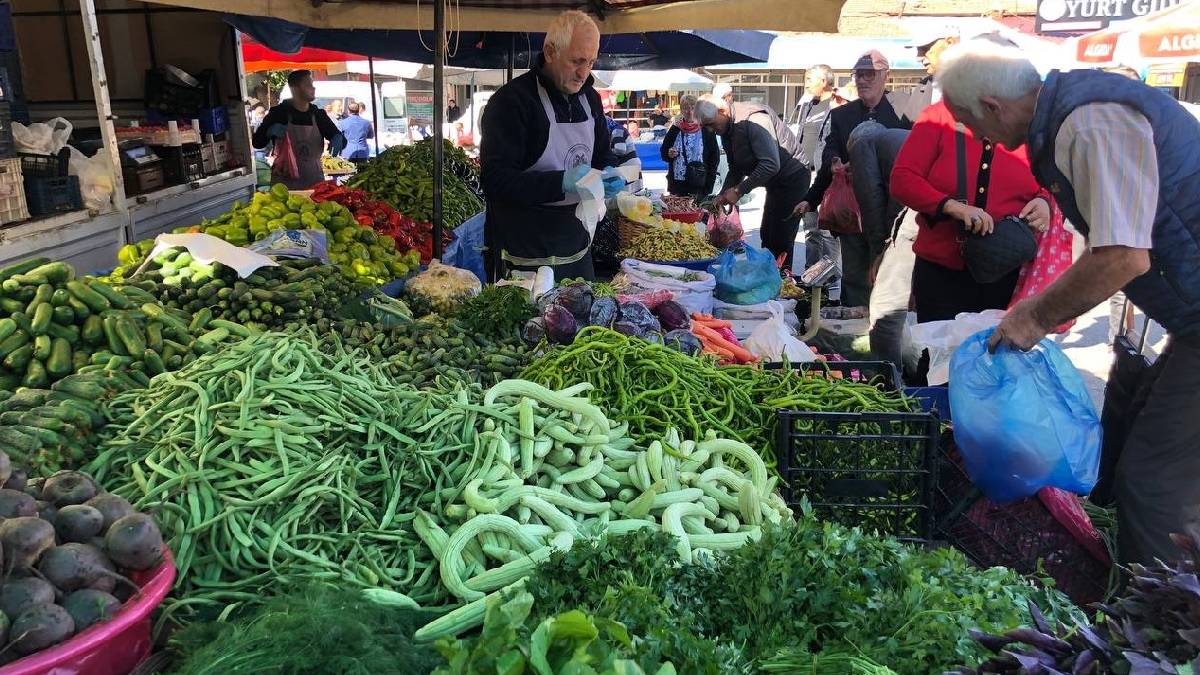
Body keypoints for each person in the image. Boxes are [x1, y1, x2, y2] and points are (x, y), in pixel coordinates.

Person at [936, 38, 1200, 565]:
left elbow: (1122, 256)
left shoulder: (1089, 124)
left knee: (1151, 484)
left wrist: (1033, 317)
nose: (977, 137)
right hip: (1190, 318)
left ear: (991, 106)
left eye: (970, 122)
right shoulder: (1073, 117)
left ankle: (1163, 615)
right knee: (1141, 452)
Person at [479, 10, 623, 282]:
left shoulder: (590, 99)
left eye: (591, 62)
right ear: (549, 52)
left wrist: (609, 171)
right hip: (523, 255)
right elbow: (495, 179)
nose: (584, 73)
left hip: (578, 249)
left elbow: (603, 154)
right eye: (576, 61)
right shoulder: (512, 102)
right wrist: (561, 182)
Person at [889, 104, 1049, 322]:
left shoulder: (1027, 119)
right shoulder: (938, 117)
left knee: (997, 343)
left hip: (1008, 270)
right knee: (940, 342)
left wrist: (1044, 200)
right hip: (942, 273)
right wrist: (952, 207)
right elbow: (903, 179)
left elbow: (1051, 179)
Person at [792, 50, 914, 308]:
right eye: (858, 75)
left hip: (893, 211)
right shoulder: (842, 115)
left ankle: (883, 324)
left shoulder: (904, 112)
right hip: (852, 212)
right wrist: (813, 195)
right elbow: (829, 153)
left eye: (870, 74)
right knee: (855, 277)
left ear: (886, 76)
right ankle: (853, 326)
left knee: (889, 278)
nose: (863, 80)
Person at [699, 97, 808, 271]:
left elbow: (770, 164)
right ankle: (768, 275)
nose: (711, 130)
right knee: (767, 234)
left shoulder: (755, 119)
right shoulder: (727, 129)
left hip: (793, 177)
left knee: (781, 237)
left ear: (723, 112)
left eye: (711, 124)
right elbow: (736, 168)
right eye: (706, 126)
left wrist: (739, 190)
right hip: (775, 182)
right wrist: (722, 194)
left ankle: (781, 280)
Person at [792, 64, 842, 290]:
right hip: (806, 173)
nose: (806, 83)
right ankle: (811, 275)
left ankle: (831, 276)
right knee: (811, 229)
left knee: (827, 230)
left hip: (827, 176)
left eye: (810, 79)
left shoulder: (838, 104)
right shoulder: (807, 104)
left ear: (824, 81)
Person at [252, 70, 346, 190]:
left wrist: (338, 138)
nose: (313, 88)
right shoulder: (278, 113)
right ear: (294, 88)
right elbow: (257, 142)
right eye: (308, 85)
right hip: (284, 185)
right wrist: (268, 131)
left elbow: (340, 140)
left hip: (314, 183)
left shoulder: (318, 115)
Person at [660, 95, 719, 199]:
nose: (690, 112)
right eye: (686, 108)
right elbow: (664, 153)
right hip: (678, 185)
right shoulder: (675, 129)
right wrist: (669, 154)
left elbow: (714, 158)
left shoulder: (706, 130)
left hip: (699, 184)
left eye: (693, 108)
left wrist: (709, 186)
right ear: (681, 110)